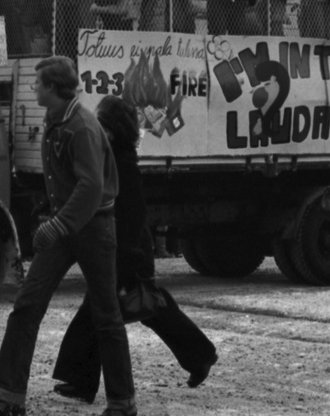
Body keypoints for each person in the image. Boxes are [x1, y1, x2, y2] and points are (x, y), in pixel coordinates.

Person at [0, 56, 136, 416]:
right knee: (27, 306)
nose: (33, 88)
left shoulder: (82, 127)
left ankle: (123, 404)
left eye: (37, 83)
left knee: (106, 315)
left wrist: (57, 226)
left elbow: (91, 187)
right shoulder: (57, 118)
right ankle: (8, 399)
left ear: (53, 89)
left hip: (94, 227)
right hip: (67, 224)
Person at [52, 95, 217, 403]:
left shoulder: (120, 161)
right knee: (133, 308)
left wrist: (127, 254)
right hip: (119, 247)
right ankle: (82, 380)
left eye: (101, 122)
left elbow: (133, 214)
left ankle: (200, 355)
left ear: (111, 128)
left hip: (125, 249)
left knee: (146, 307)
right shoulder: (113, 154)